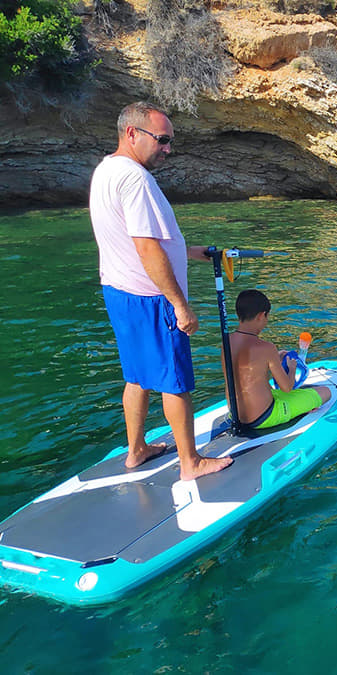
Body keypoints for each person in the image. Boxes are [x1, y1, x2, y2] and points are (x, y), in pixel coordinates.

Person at [89, 101, 232, 481]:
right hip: (150, 297)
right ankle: (191, 462)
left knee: (136, 375)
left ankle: (136, 450)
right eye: (163, 140)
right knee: (174, 379)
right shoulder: (136, 179)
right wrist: (178, 305)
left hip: (119, 291)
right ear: (132, 133)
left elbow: (139, 240)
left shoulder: (106, 170)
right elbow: (147, 247)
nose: (168, 148)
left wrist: (191, 253)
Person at [225, 289, 331, 429]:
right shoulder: (267, 348)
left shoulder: (226, 343)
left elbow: (250, 374)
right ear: (261, 315)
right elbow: (287, 387)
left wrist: (274, 359)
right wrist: (292, 368)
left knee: (273, 390)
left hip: (236, 415)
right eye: (267, 317)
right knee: (325, 392)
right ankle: (298, 411)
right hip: (264, 417)